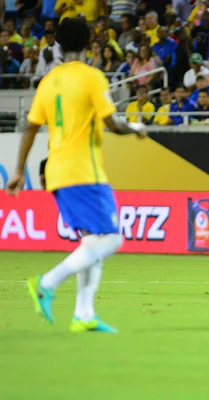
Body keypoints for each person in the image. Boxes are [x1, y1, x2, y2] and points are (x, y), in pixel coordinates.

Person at [6, 17, 147, 334]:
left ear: (58, 44)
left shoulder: (49, 81)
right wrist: (137, 127)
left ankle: (84, 313)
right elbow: (112, 124)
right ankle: (46, 283)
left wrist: (18, 170)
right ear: (89, 44)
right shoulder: (92, 77)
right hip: (84, 170)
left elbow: (30, 125)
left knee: (92, 241)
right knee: (111, 238)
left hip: (57, 171)